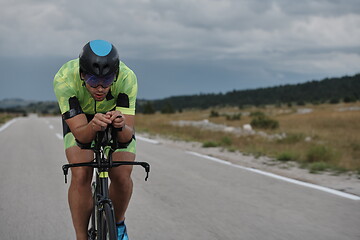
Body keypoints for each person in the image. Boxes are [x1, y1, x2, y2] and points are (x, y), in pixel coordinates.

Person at [54, 40, 138, 240]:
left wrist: (120, 125)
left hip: (113, 119)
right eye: (93, 81)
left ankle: (118, 225)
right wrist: (92, 126)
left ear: (115, 76)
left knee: (123, 172)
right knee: (81, 173)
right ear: (82, 75)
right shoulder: (65, 78)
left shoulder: (127, 77)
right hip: (81, 121)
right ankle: (81, 236)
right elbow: (82, 136)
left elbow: (126, 137)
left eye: (107, 82)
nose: (100, 88)